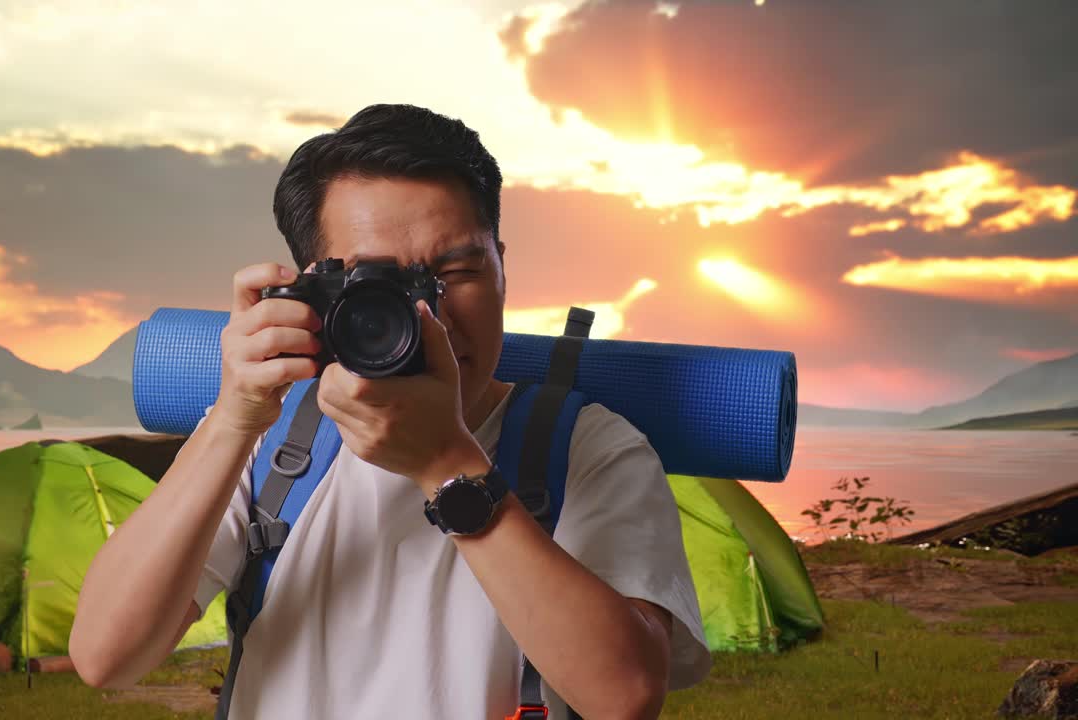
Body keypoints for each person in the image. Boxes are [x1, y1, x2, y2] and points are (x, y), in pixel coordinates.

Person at [70, 103, 711, 718]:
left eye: (457, 272)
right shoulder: (272, 436)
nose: (428, 316)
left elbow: (625, 698)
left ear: (502, 268)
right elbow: (106, 656)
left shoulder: (588, 448)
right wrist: (234, 419)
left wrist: (447, 464)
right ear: (316, 291)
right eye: (383, 287)